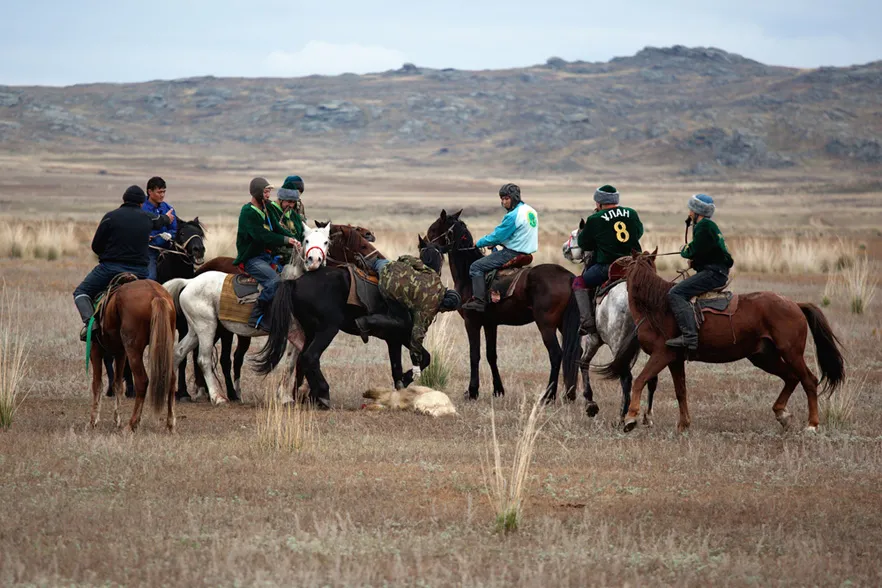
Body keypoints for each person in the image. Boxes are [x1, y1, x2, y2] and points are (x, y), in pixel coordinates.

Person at [73, 185, 175, 341]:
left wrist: (106, 255)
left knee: (81, 292)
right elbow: (162, 221)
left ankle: (90, 325)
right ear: (142, 203)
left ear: (124, 200)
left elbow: (96, 246)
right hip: (140, 272)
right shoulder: (148, 217)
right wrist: (168, 218)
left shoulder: (110, 217)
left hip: (110, 269)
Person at [356, 253, 461, 378]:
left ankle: (369, 262)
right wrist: (416, 365)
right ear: (445, 307)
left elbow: (413, 260)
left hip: (389, 266)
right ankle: (367, 322)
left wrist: (400, 261)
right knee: (401, 322)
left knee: (380, 263)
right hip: (388, 287)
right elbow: (417, 337)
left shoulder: (434, 276)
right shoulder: (429, 309)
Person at [666, 194, 734, 351]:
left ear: (698, 212)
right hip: (716, 270)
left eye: (691, 209)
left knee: (675, 293)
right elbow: (706, 251)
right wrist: (696, 262)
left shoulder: (703, 226)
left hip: (714, 273)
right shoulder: (710, 226)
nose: (689, 213)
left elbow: (693, 249)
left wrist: (684, 251)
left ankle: (690, 337)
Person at [573, 184, 644, 334]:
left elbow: (584, 243)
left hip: (609, 267)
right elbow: (638, 232)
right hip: (635, 266)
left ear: (599, 203)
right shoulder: (631, 213)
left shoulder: (595, 219)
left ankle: (587, 323)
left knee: (578, 282)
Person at [233, 177, 300, 331]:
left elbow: (276, 228)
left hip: (265, 257)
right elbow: (261, 235)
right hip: (252, 258)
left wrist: (295, 240)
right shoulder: (248, 212)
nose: (269, 195)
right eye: (266, 192)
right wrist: (286, 240)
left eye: (269, 191)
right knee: (274, 282)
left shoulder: (266, 207)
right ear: (257, 192)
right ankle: (256, 316)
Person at [461, 183, 539, 312]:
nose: (503, 202)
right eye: (502, 199)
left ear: (514, 198)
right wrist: (502, 243)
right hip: (526, 252)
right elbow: (520, 234)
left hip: (512, 253)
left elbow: (497, 236)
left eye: (506, 198)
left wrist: (479, 243)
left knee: (476, 267)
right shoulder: (530, 211)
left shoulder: (513, 216)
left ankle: (479, 301)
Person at [141, 176, 177, 281]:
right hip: (149, 250)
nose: (162, 195)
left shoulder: (168, 208)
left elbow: (174, 230)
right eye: (159, 192)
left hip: (167, 250)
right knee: (151, 278)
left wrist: (170, 235)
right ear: (150, 192)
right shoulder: (141, 208)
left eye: (163, 192)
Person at [270, 175, 307, 262]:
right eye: (289, 201)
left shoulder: (299, 207)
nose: (297, 193)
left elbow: (302, 227)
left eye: (299, 192)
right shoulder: (271, 210)